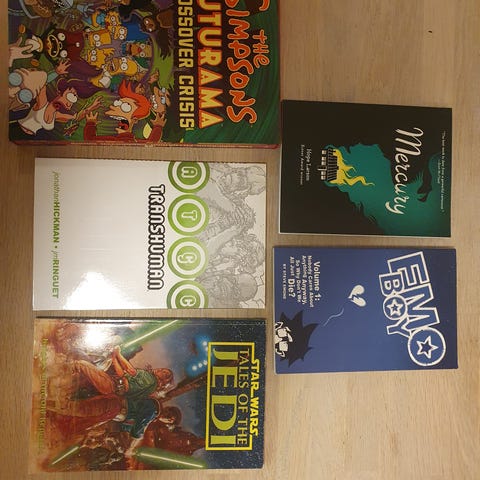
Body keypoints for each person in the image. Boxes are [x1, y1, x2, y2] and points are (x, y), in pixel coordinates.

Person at [83, 78, 164, 142]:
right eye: (119, 103)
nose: (116, 106)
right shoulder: (113, 141)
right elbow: (90, 140)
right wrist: (158, 126)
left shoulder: (133, 143)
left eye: (125, 106)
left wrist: (158, 127)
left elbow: (151, 143)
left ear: (134, 119)